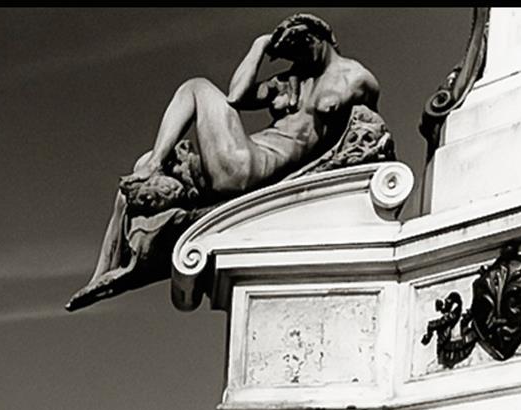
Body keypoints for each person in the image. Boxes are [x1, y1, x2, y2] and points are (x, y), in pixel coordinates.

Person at [69, 13, 379, 309]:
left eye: (300, 47)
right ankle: (105, 272)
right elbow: (236, 96)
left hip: (255, 167)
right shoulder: (292, 80)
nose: (297, 58)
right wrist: (260, 45)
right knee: (142, 167)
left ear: (319, 38)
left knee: (197, 87)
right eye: (290, 52)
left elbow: (368, 127)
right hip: (241, 155)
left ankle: (156, 167)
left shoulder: (356, 77)